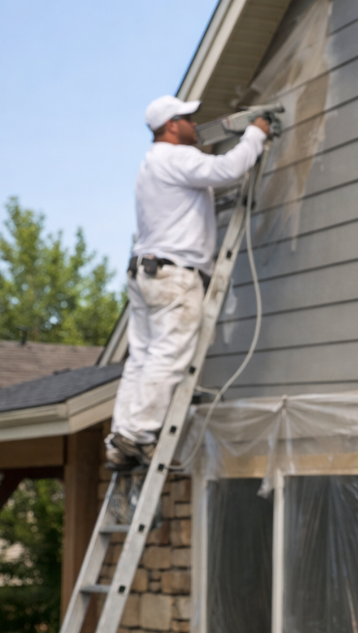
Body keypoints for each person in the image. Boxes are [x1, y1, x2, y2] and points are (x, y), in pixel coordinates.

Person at [105, 96, 271, 469]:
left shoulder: (150, 164)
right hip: (173, 276)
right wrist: (255, 135)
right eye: (187, 119)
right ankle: (138, 435)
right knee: (168, 356)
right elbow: (229, 169)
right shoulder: (176, 157)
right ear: (169, 126)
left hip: (145, 274)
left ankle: (121, 439)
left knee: (142, 360)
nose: (195, 124)